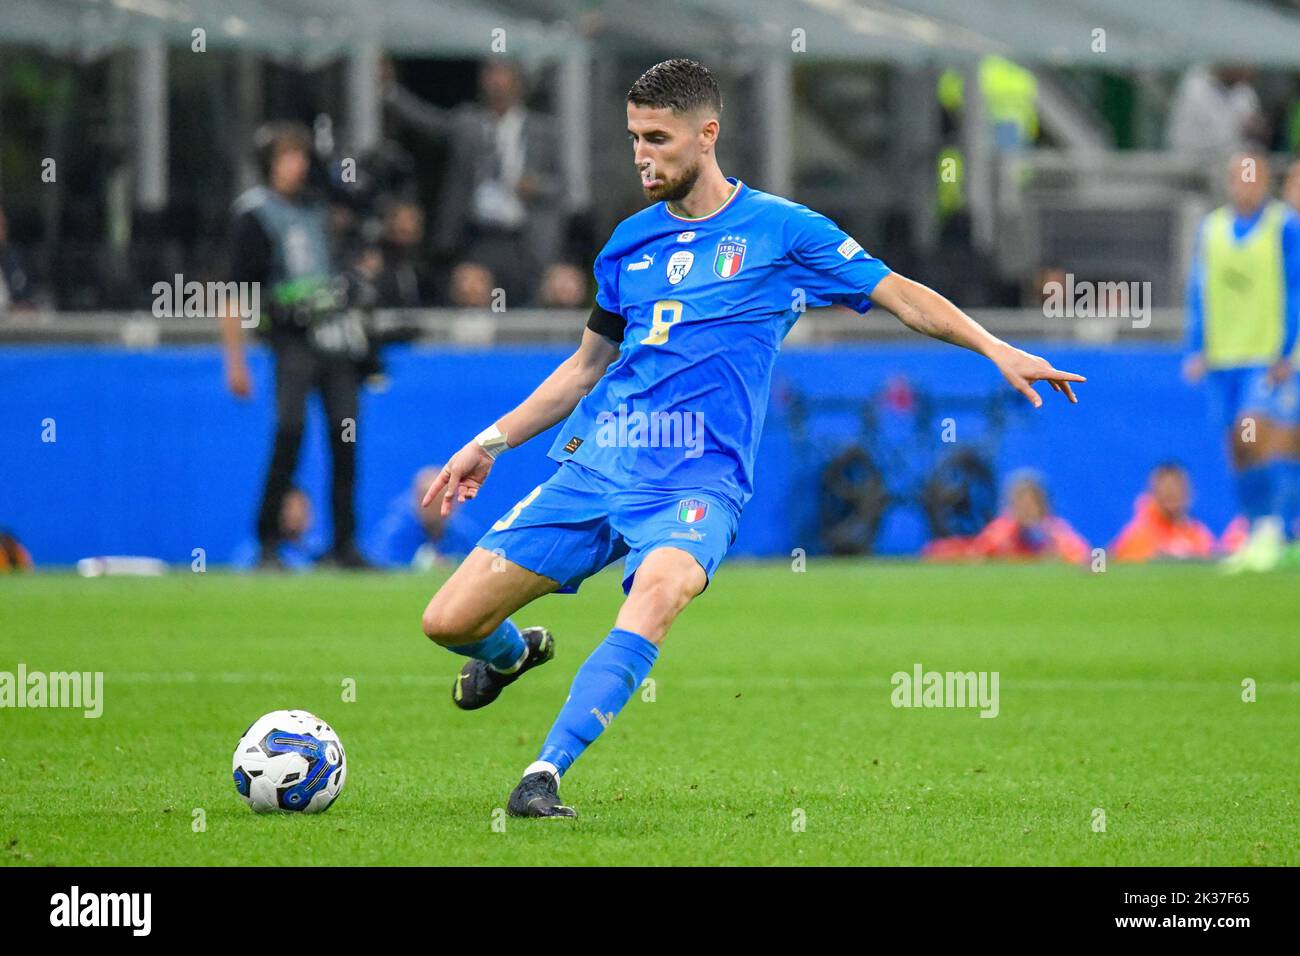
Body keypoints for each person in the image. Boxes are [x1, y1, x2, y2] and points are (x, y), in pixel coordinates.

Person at [418, 60, 1084, 818]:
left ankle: (545, 772)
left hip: (697, 484)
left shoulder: (782, 233)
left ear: (708, 135)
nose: (642, 155)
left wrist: (996, 347)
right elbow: (582, 370)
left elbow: (899, 293)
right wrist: (490, 441)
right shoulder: (627, 245)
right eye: (635, 138)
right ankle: (514, 653)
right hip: (599, 464)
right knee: (447, 622)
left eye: (658, 139)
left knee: (658, 593)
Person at [221, 121, 372, 570]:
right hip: (291, 339)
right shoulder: (254, 214)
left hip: (335, 335)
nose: (296, 166)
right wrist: (236, 360)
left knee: (345, 435)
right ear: (268, 162)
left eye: (300, 156)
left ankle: (344, 544)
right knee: (289, 431)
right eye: (287, 157)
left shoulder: (318, 206)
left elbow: (358, 203)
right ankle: (267, 540)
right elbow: (233, 291)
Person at [1183, 148, 1300, 572]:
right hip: (1222, 357)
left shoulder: (1283, 226)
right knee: (1236, 447)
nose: (1245, 185)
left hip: (1262, 356)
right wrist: (1195, 346)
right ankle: (1252, 530)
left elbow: (1294, 287)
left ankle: (1274, 528)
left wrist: (1287, 349)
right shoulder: (1211, 229)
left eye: (1253, 177)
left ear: (1265, 182)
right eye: (1239, 177)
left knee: (1257, 436)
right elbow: (1198, 289)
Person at [384, 59, 565, 306]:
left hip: (521, 238)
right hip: (476, 235)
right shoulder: (468, 122)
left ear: (518, 83)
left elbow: (562, 186)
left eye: (504, 75)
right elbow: (429, 123)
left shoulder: (543, 131)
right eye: (492, 75)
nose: (497, 83)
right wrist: (389, 91)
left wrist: (536, 187)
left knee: (523, 303)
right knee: (472, 298)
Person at [923, 472, 1089, 563]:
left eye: (1032, 502)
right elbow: (975, 556)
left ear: (1043, 504)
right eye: (1021, 502)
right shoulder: (1003, 530)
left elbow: (1081, 555)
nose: (1027, 509)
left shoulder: (1055, 530)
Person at [367, 466, 482, 570]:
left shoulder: (464, 533)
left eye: (445, 501)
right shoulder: (396, 532)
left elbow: (477, 567)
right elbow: (382, 569)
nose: (438, 510)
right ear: (418, 501)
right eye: (432, 502)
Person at [1109, 463, 1216, 562]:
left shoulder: (1199, 535)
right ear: (1154, 493)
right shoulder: (1138, 535)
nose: (1172, 492)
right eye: (1166, 489)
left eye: (1177, 488)